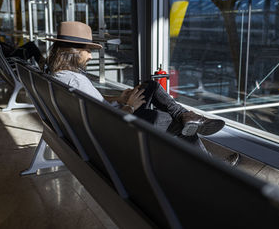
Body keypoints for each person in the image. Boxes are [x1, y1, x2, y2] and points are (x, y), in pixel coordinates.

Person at [45, 21, 225, 149]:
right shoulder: (75, 79)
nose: (91, 56)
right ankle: (209, 162)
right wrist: (129, 106)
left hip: (114, 113)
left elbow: (91, 101)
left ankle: (186, 116)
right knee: (173, 121)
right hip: (118, 124)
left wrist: (118, 98)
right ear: (73, 51)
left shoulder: (60, 75)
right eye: (87, 50)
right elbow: (106, 123)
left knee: (152, 86)